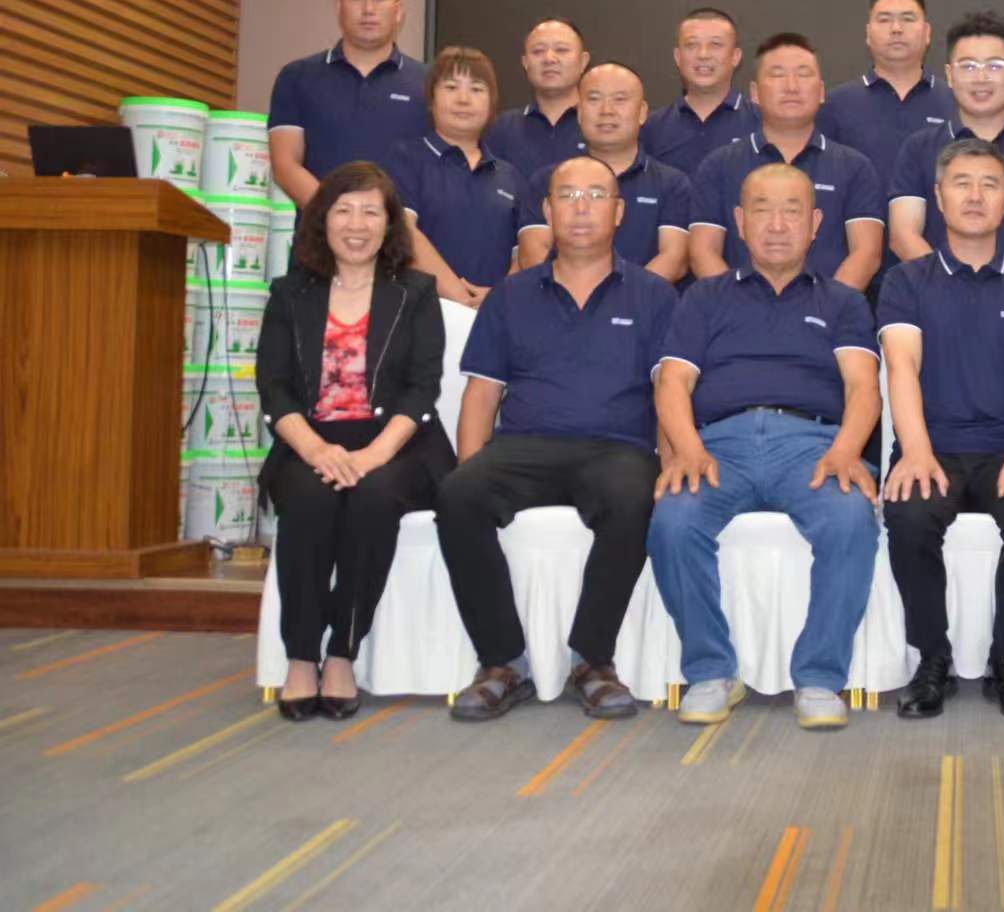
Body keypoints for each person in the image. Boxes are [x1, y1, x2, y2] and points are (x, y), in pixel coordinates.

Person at [436, 156, 680, 722]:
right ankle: (502, 663)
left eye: (596, 195)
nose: (581, 208)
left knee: (633, 496)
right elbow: (481, 394)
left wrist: (671, 464)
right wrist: (469, 468)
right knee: (458, 494)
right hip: (524, 446)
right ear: (547, 210)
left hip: (617, 448)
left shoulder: (654, 295)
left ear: (619, 212)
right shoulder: (511, 295)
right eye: (567, 196)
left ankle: (592, 661)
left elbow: (670, 393)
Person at [650, 164, 883, 731]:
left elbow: (863, 388)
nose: (777, 225)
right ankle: (711, 671)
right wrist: (686, 449)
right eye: (762, 209)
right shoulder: (703, 298)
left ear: (815, 223)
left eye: (792, 211)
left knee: (851, 519)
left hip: (813, 446)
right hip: (718, 447)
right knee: (673, 522)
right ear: (739, 221)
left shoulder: (843, 301)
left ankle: (820, 678)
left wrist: (847, 450)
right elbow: (673, 383)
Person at [256, 161, 455, 721]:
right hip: (311, 440)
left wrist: (371, 456)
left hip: (397, 444)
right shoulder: (289, 294)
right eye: (343, 210)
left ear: (390, 225)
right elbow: (273, 387)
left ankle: (342, 651)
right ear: (321, 221)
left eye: (371, 211)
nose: (356, 224)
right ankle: (301, 655)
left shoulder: (416, 293)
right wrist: (316, 450)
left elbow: (422, 388)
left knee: (372, 498)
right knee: (308, 500)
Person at [878, 138, 1004, 720]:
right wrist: (914, 450)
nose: (975, 196)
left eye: (990, 184)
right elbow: (901, 366)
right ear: (938, 197)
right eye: (961, 184)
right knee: (909, 516)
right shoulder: (906, 281)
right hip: (930, 446)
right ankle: (931, 658)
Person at [689, 34, 883, 293]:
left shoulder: (855, 167)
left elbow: (866, 254)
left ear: (821, 92)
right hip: (737, 313)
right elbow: (702, 252)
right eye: (777, 74)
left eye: (803, 74)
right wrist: (738, 307)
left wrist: (829, 309)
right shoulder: (719, 165)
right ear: (755, 93)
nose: (791, 86)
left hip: (828, 313)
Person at [888, 10, 1004, 276]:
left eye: (994, 66)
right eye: (968, 66)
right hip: (938, 296)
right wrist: (946, 288)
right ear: (949, 75)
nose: (981, 78)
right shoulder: (918, 148)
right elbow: (902, 234)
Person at [269, 0, 427, 207]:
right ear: (338, 8)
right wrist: (339, 216)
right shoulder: (297, 77)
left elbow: (437, 174)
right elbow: (285, 165)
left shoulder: (428, 84)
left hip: (400, 231)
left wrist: (394, 223)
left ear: (398, 12)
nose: (368, 10)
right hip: (320, 229)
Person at [517, 63, 691, 283]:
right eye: (594, 99)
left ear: (642, 112)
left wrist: (622, 297)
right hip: (560, 301)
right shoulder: (547, 180)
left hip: (642, 302)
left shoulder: (672, 183)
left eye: (620, 99)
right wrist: (576, 295)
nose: (606, 110)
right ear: (579, 112)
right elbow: (532, 253)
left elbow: (674, 258)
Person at [383, 46, 524, 306]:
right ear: (431, 99)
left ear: (492, 103)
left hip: (490, 316)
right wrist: (460, 298)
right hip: (421, 312)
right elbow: (403, 231)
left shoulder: (510, 176)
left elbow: (522, 254)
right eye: (451, 87)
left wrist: (496, 300)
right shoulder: (406, 159)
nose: (463, 99)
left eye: (476, 89)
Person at [819, 0, 957, 188]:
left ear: (927, 32)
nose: (896, 29)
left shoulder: (955, 101)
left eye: (907, 19)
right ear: (868, 33)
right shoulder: (835, 106)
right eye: (884, 20)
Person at [641, 8, 759, 176]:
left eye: (715, 45)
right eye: (692, 45)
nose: (703, 55)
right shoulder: (651, 128)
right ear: (677, 57)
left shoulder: (762, 124)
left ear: (735, 56)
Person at [484, 18, 591, 178]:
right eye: (538, 51)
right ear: (525, 63)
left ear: (583, 61)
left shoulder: (601, 123)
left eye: (561, 50)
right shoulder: (502, 128)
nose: (549, 59)